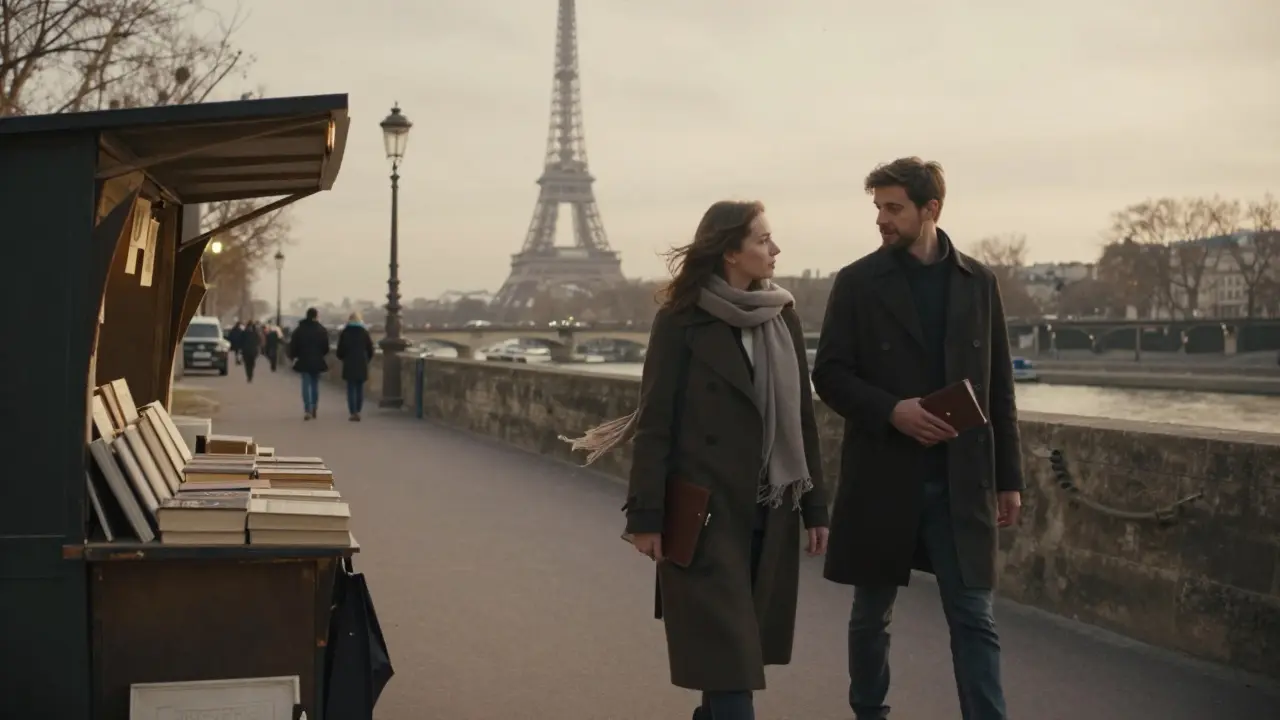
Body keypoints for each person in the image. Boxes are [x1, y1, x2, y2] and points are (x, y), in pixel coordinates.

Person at [562, 201, 830, 720]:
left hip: (769, 511)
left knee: (728, 664)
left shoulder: (783, 317)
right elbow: (656, 424)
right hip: (705, 515)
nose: (775, 250)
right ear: (731, 250)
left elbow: (801, 420)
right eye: (763, 241)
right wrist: (644, 518)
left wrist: (816, 507)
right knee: (730, 668)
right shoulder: (680, 322)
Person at [811, 157, 1024, 720]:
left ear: (931, 209)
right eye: (878, 207)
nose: (881, 218)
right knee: (871, 612)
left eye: (893, 207)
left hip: (961, 479)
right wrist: (892, 411)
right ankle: (870, 712)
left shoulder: (979, 282)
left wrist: (1010, 480)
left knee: (974, 615)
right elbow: (828, 374)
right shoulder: (857, 282)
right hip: (886, 471)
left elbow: (999, 386)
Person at [288, 308, 331, 420]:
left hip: (304, 360)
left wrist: (293, 356)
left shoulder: (299, 329)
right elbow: (326, 348)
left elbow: (293, 346)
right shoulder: (321, 330)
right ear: (316, 316)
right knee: (315, 385)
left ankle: (307, 409)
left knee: (305, 385)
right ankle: (314, 406)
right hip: (317, 360)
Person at [335, 312, 375, 421]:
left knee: (351, 388)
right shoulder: (364, 332)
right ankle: (358, 410)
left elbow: (340, 351)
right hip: (361, 363)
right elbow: (370, 349)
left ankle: (353, 412)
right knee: (359, 388)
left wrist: (343, 358)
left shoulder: (345, 333)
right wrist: (367, 360)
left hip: (349, 363)